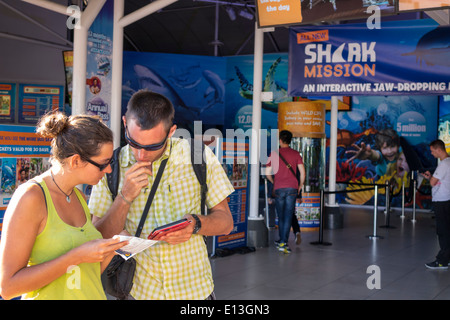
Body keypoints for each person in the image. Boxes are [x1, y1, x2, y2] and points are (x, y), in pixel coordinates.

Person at [89, 90, 234, 300]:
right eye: (133, 142)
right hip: (139, 292)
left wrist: (196, 224)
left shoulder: (197, 156)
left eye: (152, 146)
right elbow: (97, 236)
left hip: (194, 291)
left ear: (171, 131)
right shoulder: (111, 166)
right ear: (124, 123)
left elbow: (226, 222)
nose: (140, 154)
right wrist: (125, 197)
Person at [0, 112, 127, 300]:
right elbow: (8, 288)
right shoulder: (31, 197)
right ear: (76, 161)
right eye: (103, 164)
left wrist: (110, 250)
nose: (108, 170)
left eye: (111, 162)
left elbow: (81, 275)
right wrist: (76, 256)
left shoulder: (79, 197)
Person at [266, 130, 305, 254]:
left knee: (281, 216)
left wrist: (274, 181)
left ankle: (283, 241)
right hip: (292, 188)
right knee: (288, 216)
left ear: (280, 140)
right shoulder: (296, 154)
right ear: (290, 140)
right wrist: (300, 185)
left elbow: (267, 173)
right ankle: (283, 241)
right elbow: (303, 172)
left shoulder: (274, 153)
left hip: (279, 188)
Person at [421, 139, 450, 270]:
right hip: (447, 199)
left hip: (442, 201)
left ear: (439, 149)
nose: (432, 154)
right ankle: (447, 258)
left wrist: (430, 179)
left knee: (443, 231)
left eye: (432, 151)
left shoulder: (443, 164)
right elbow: (438, 180)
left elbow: (433, 183)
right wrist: (431, 177)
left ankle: (442, 261)